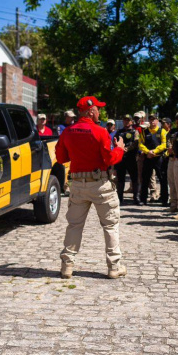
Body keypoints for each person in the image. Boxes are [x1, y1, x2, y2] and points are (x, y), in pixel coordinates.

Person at [56, 96, 127, 279]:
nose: (100, 112)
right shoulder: (100, 131)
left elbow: (61, 158)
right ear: (90, 111)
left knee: (74, 225)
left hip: (78, 185)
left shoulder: (68, 131)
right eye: (98, 109)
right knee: (110, 225)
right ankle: (114, 267)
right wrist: (119, 148)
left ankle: (67, 266)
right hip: (100, 184)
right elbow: (110, 159)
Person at [138, 113, 167, 205]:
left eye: (154, 119)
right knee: (145, 179)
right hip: (148, 158)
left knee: (162, 179)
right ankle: (143, 199)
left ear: (157, 121)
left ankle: (164, 200)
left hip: (158, 158)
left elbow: (164, 144)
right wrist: (147, 152)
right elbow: (140, 144)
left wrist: (155, 151)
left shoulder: (162, 131)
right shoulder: (144, 132)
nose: (152, 121)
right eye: (150, 119)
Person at [113, 114, 141, 204]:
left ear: (131, 122)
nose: (126, 122)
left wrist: (127, 149)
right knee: (120, 179)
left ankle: (136, 198)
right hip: (121, 158)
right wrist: (118, 147)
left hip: (132, 158)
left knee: (135, 178)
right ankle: (120, 198)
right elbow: (115, 142)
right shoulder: (119, 131)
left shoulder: (135, 131)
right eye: (125, 120)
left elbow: (136, 142)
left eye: (128, 120)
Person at [166, 111, 178, 212]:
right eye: (177, 118)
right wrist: (171, 149)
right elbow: (168, 142)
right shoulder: (172, 131)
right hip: (172, 159)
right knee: (172, 183)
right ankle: (173, 204)